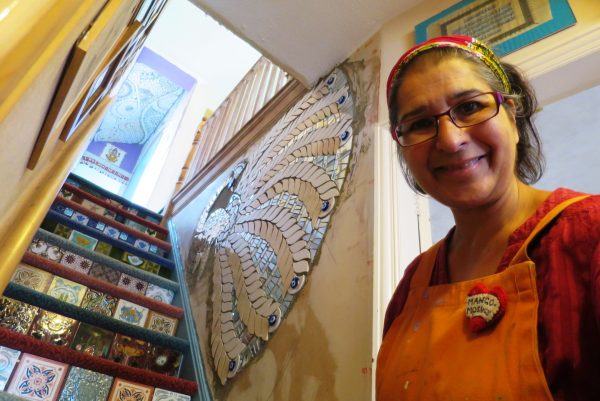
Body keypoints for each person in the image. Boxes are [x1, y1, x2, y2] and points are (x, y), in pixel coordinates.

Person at [376, 35, 600, 401]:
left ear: (512, 118)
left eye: (469, 107)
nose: (450, 141)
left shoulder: (589, 234)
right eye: (419, 124)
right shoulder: (410, 288)